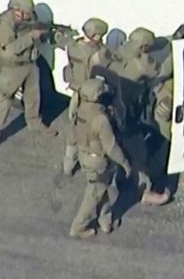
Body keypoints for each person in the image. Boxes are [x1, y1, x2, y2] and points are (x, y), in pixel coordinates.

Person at [0, 0, 58, 154]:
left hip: (30, 64)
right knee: (4, 102)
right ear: (15, 9)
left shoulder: (29, 19)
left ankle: (34, 122)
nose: (28, 16)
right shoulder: (5, 24)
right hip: (12, 67)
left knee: (33, 97)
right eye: (24, 13)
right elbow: (8, 50)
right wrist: (31, 37)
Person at [109, 27, 170, 206]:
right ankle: (141, 192)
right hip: (129, 113)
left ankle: (122, 178)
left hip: (114, 107)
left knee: (118, 147)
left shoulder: (120, 51)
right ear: (144, 47)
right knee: (139, 153)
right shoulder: (142, 62)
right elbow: (162, 71)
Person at [69, 78, 133, 239]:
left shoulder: (79, 109)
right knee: (94, 195)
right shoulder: (100, 119)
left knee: (105, 189)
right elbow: (111, 147)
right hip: (99, 161)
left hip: (85, 155)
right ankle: (78, 226)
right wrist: (125, 164)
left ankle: (105, 220)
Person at [59, 17, 113, 176]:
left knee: (74, 129)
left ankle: (68, 166)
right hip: (92, 96)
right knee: (94, 132)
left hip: (76, 92)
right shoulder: (99, 53)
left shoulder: (73, 46)